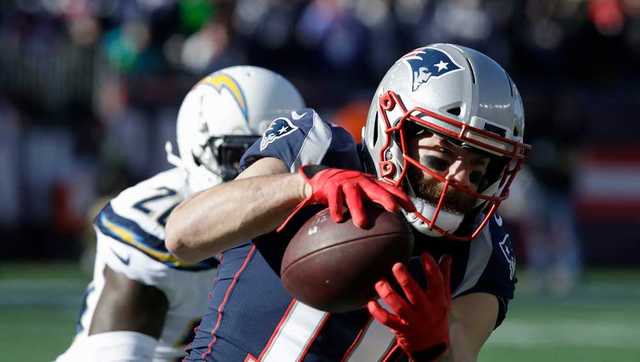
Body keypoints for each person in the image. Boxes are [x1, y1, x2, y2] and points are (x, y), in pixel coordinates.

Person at [166, 44, 530, 361]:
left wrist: (433, 350)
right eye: (440, 156)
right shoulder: (315, 147)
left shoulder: (484, 248)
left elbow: (460, 353)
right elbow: (183, 235)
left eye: (481, 165)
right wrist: (301, 186)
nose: (461, 178)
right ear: (392, 129)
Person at [56, 66, 306, 362]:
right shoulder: (153, 223)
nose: (257, 174)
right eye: (240, 157)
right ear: (196, 148)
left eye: (273, 157)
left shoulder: (309, 211)